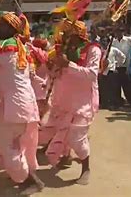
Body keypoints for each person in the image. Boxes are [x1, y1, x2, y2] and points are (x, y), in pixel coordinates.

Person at [0, 12, 44, 194]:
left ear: (11, 29)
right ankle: (23, 175)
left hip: (15, 106)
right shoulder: (20, 47)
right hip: (25, 103)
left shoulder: (3, 48)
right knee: (17, 144)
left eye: (1, 25)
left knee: (6, 145)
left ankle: (30, 180)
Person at [39, 19, 101, 186]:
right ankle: (65, 157)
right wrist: (51, 67)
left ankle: (86, 168)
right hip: (62, 100)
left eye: (68, 34)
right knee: (57, 130)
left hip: (81, 102)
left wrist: (69, 64)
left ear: (79, 35)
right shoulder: (62, 50)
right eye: (64, 34)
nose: (65, 37)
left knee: (77, 137)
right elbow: (55, 73)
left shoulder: (93, 50)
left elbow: (92, 75)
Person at [100, 42, 126, 110]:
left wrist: (118, 64)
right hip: (103, 72)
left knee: (113, 89)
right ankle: (105, 103)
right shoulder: (100, 50)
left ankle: (114, 103)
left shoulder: (114, 49)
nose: (104, 44)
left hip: (111, 71)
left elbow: (123, 56)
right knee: (104, 89)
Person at [112, 27, 131, 106]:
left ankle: (130, 101)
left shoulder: (129, 40)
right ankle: (119, 102)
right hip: (117, 66)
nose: (119, 33)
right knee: (117, 85)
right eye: (117, 31)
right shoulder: (114, 41)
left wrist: (128, 66)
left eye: (120, 31)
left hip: (126, 66)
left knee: (126, 85)